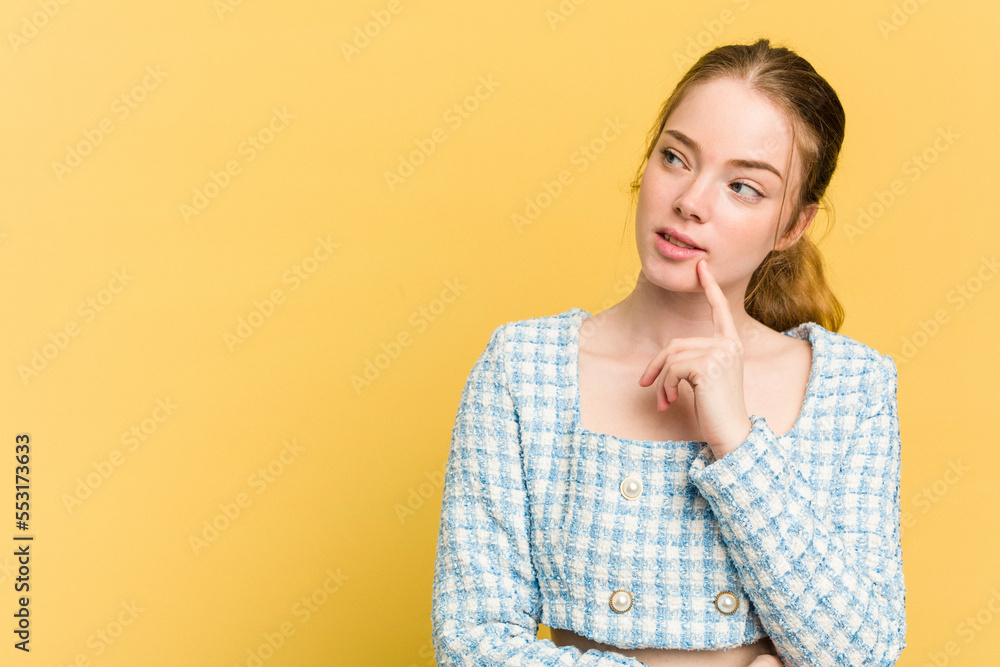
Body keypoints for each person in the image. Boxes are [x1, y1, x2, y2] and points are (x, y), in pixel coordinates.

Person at [431, 38, 906, 667]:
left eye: (743, 186)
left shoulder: (852, 387)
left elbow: (863, 651)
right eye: (676, 158)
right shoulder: (523, 368)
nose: (690, 201)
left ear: (792, 226)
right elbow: (472, 643)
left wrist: (737, 442)